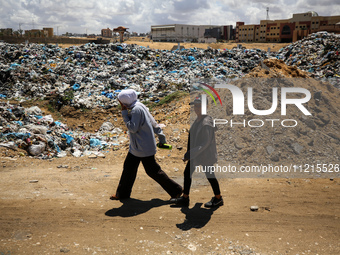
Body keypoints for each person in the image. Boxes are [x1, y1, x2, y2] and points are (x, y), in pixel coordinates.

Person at [110, 89, 183, 201]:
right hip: (138, 147)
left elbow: (132, 128)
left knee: (153, 171)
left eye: (121, 102)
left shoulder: (135, 110)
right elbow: (154, 122)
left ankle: (176, 190)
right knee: (129, 169)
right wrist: (161, 137)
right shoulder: (140, 105)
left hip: (142, 147)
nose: (120, 104)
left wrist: (124, 114)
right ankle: (122, 194)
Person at [171, 95, 223, 208]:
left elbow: (205, 143)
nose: (197, 108)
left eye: (200, 106)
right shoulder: (199, 119)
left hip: (204, 155)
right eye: (195, 106)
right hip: (197, 154)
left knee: (210, 175)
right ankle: (185, 198)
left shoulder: (206, 123)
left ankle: (218, 198)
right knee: (187, 173)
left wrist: (190, 154)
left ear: (206, 107)